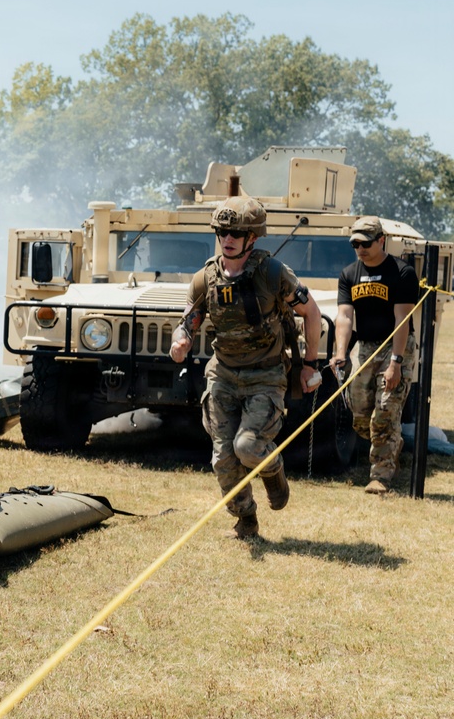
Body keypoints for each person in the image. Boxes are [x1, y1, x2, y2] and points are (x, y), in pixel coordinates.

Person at [169, 196, 323, 539]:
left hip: (266, 375)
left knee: (248, 447)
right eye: (222, 231)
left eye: (236, 232)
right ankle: (246, 521)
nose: (228, 238)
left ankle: (274, 471)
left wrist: (309, 363)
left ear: (252, 237)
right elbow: (188, 321)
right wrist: (180, 340)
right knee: (224, 459)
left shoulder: (272, 273)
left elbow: (311, 313)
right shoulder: (205, 278)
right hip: (222, 373)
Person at [330, 216, 419, 494]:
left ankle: (380, 477)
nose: (360, 249)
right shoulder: (348, 274)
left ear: (381, 240)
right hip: (365, 347)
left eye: (365, 243)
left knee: (385, 411)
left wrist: (396, 363)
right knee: (360, 415)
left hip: (396, 345)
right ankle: (391, 444)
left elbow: (402, 320)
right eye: (355, 243)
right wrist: (341, 353)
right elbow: (344, 317)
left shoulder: (402, 272)